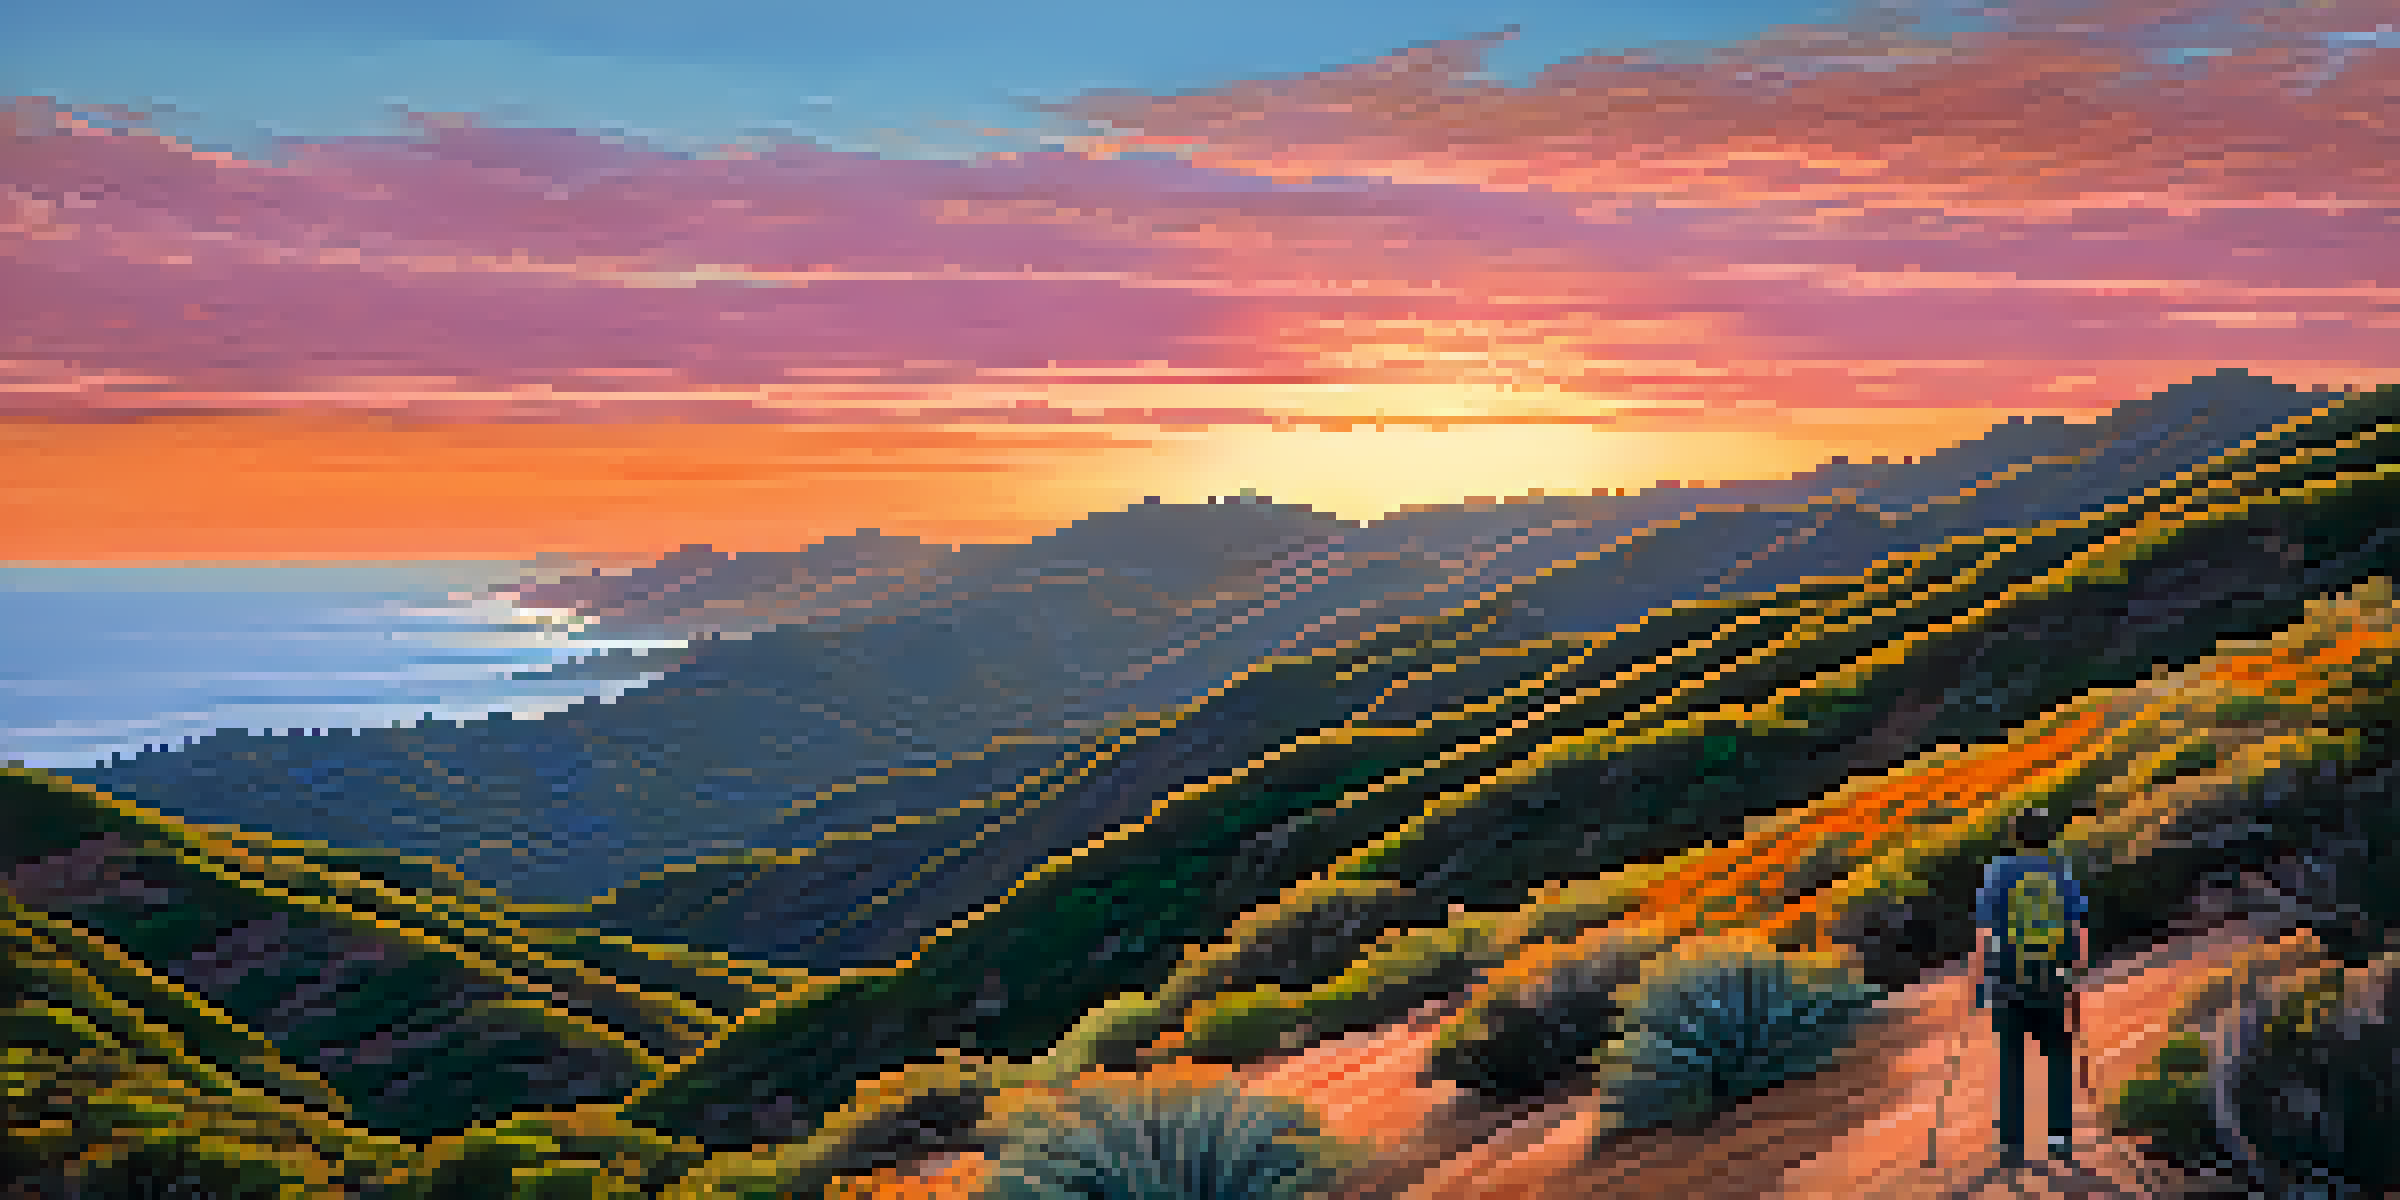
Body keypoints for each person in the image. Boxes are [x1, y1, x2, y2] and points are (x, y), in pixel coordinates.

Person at [1970, 805, 2091, 1168]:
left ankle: (2011, 1145)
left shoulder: (1998, 872)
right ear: (2049, 835)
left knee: (2011, 1061)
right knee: (2057, 1057)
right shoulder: (2061, 872)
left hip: (2008, 979)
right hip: (2053, 979)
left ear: (2015, 836)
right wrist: (2075, 973)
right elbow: (2078, 929)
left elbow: (1984, 932)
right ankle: (2060, 1140)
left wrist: (1980, 983)